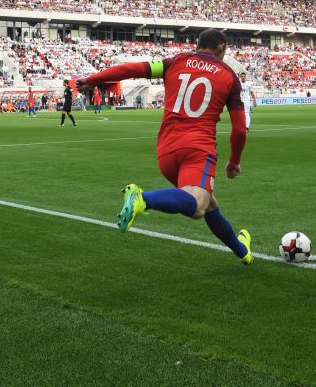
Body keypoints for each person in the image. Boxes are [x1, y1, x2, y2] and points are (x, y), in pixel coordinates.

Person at [76, 28, 252, 265]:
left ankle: (243, 252)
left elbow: (132, 69)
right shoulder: (229, 76)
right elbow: (240, 129)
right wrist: (235, 160)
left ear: (198, 45)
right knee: (198, 205)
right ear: (221, 49)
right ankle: (142, 199)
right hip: (197, 150)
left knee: (209, 204)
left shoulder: (174, 62)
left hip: (166, 152)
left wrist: (93, 79)